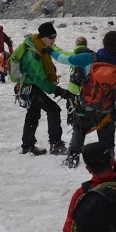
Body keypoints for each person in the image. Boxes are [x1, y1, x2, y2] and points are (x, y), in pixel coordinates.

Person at [58, 29, 116, 167]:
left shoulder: (90, 58)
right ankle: (108, 158)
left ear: (103, 42)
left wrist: (49, 50)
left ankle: (72, 157)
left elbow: (64, 59)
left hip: (86, 105)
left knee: (80, 128)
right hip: (106, 109)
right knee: (107, 135)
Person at [12, 21, 69, 155]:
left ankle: (27, 145)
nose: (53, 40)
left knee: (33, 112)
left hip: (26, 87)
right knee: (53, 109)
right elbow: (40, 79)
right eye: (51, 37)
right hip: (30, 87)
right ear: (42, 37)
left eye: (55, 37)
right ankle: (55, 144)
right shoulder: (34, 54)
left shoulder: (39, 48)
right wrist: (58, 91)